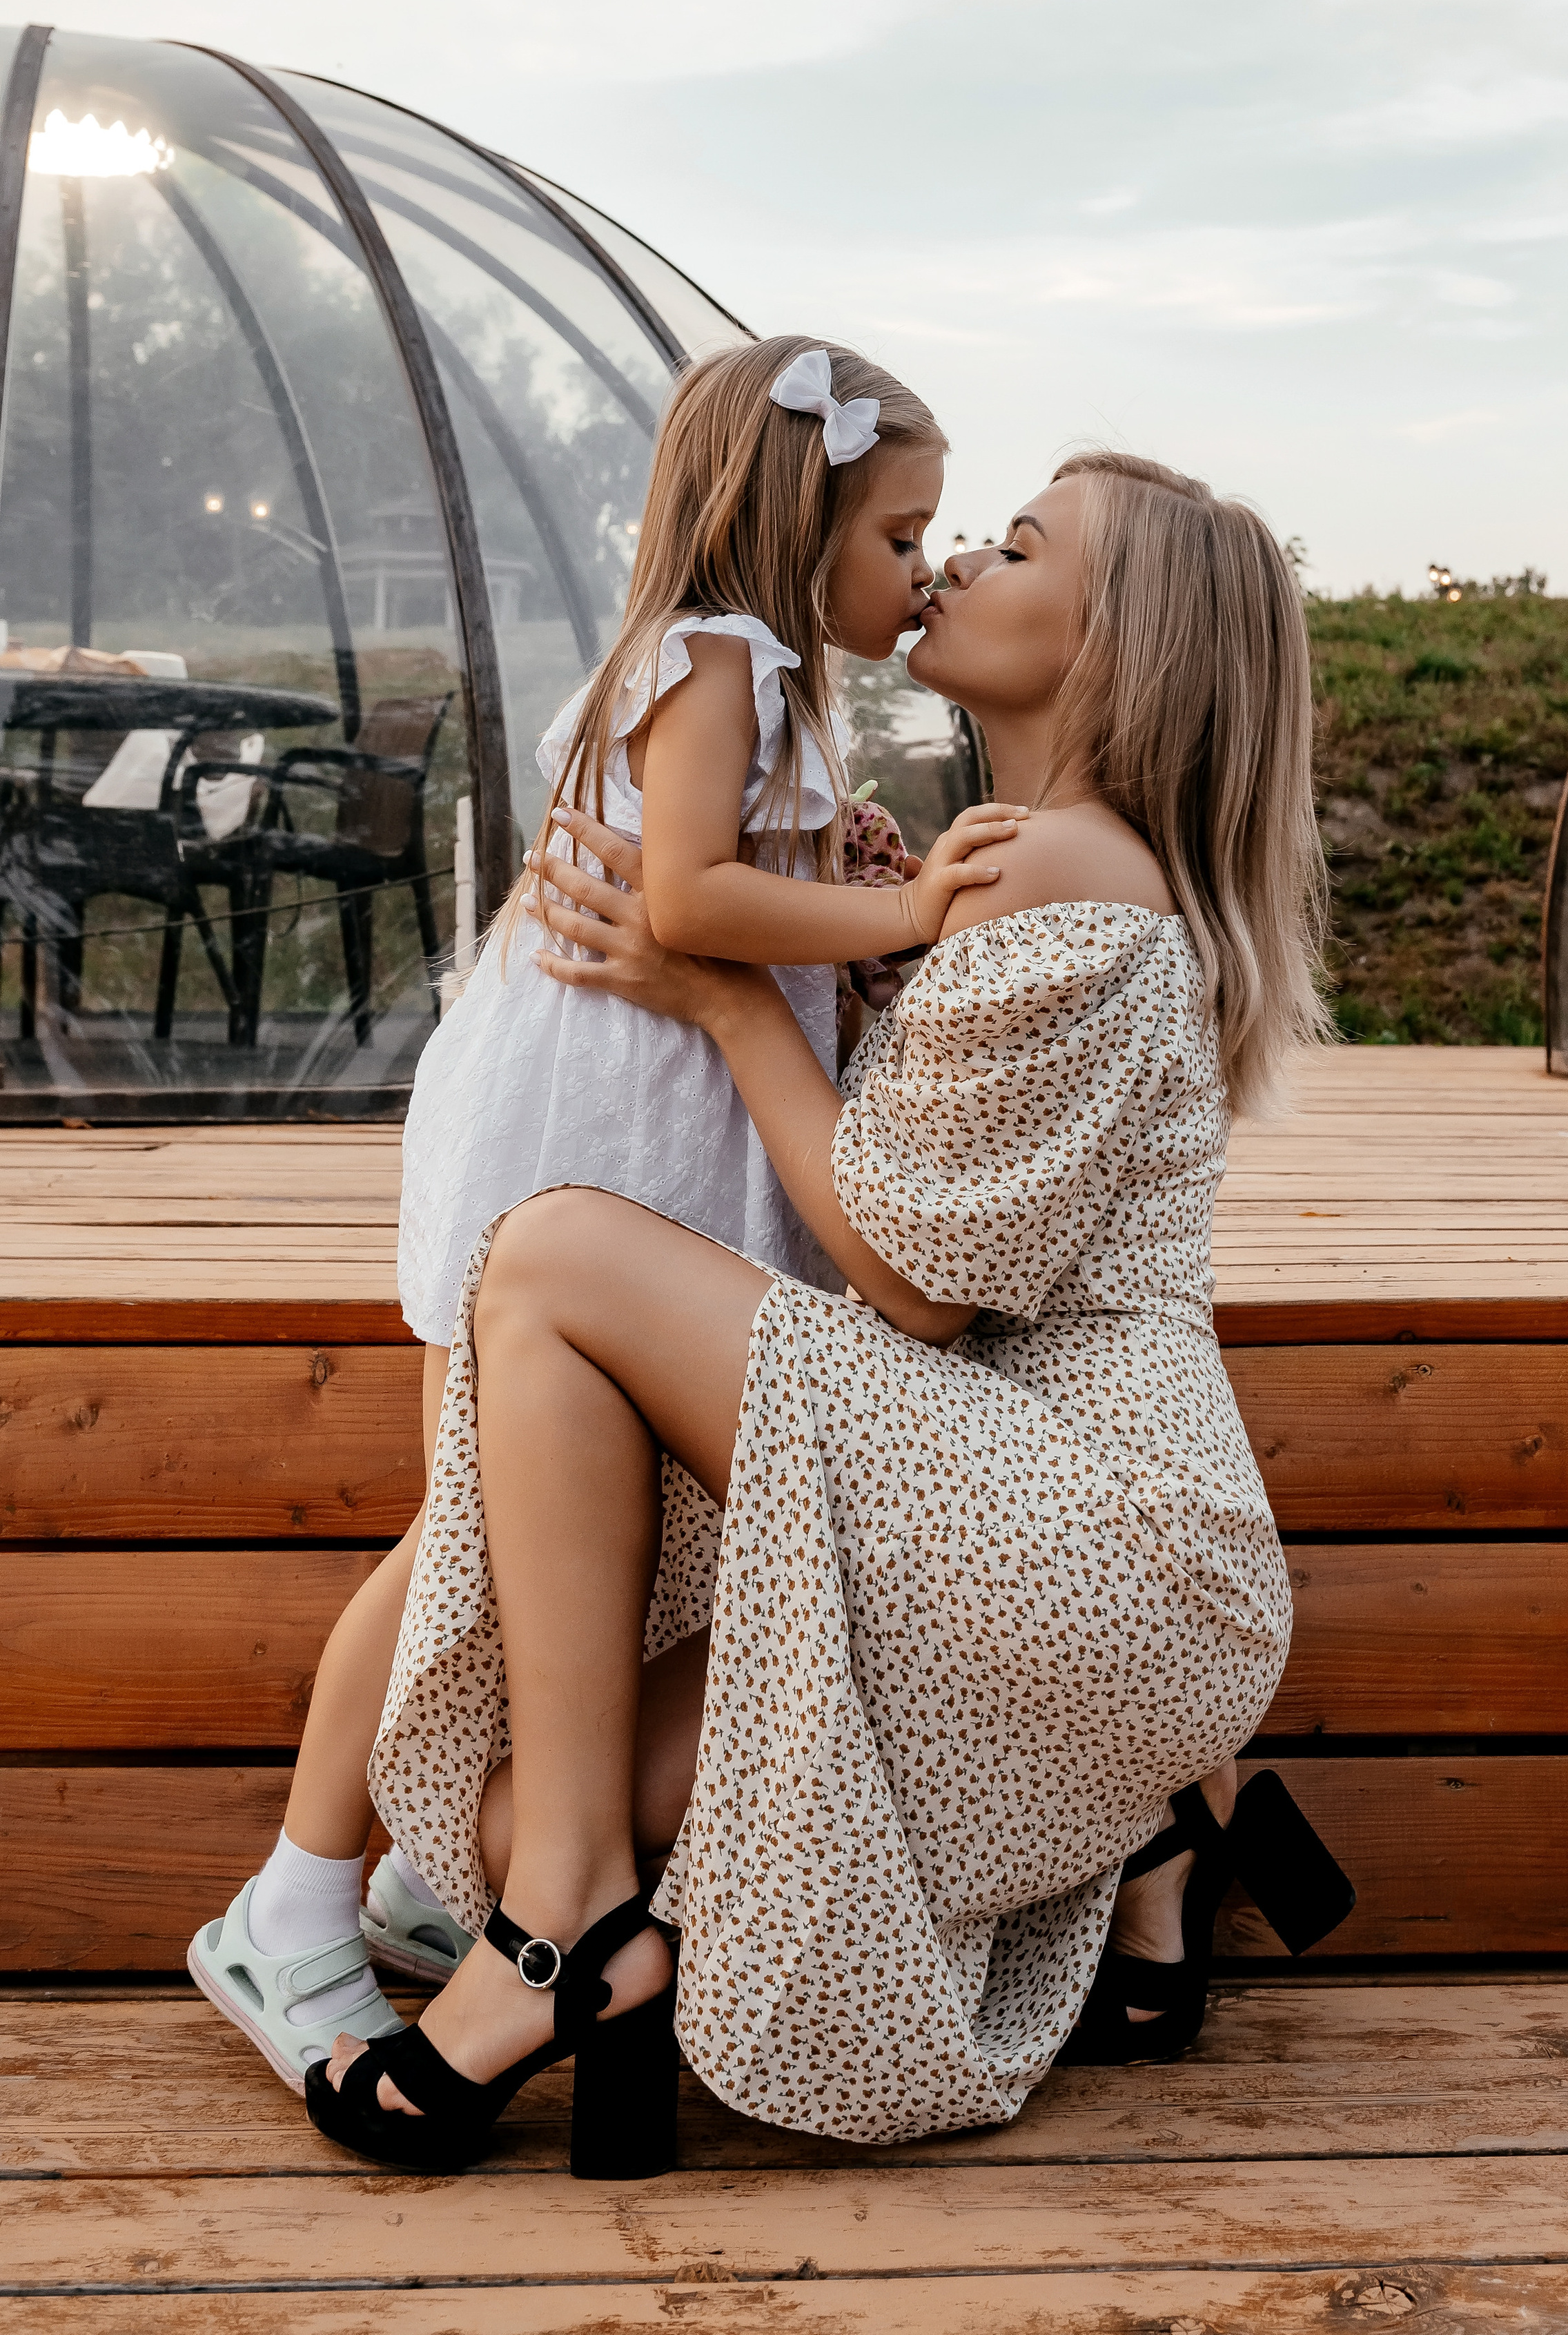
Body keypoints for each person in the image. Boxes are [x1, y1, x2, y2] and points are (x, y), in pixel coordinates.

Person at [305, 449, 1353, 2182]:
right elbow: (930, 1200)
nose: (947, 562)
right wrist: (872, 966)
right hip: (1001, 1531)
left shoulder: (1068, 871)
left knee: (552, 1259)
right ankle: (1157, 1820)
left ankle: (558, 1942)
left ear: (1119, 645)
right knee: (495, 1817)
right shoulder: (1024, 868)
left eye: (1014, 547)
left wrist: (725, 996)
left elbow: (911, 1287)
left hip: (1091, 1527)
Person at [187, 336, 1020, 2089]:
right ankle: (290, 1906)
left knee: (543, 1536)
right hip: (576, 1132)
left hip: (641, 1127)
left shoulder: (770, 677)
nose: (920, 573)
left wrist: (831, 867)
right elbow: (685, 891)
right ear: (797, 529)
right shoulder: (717, 654)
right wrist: (907, 919)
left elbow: (730, 871)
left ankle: (430, 1873)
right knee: (462, 1543)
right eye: (899, 535)